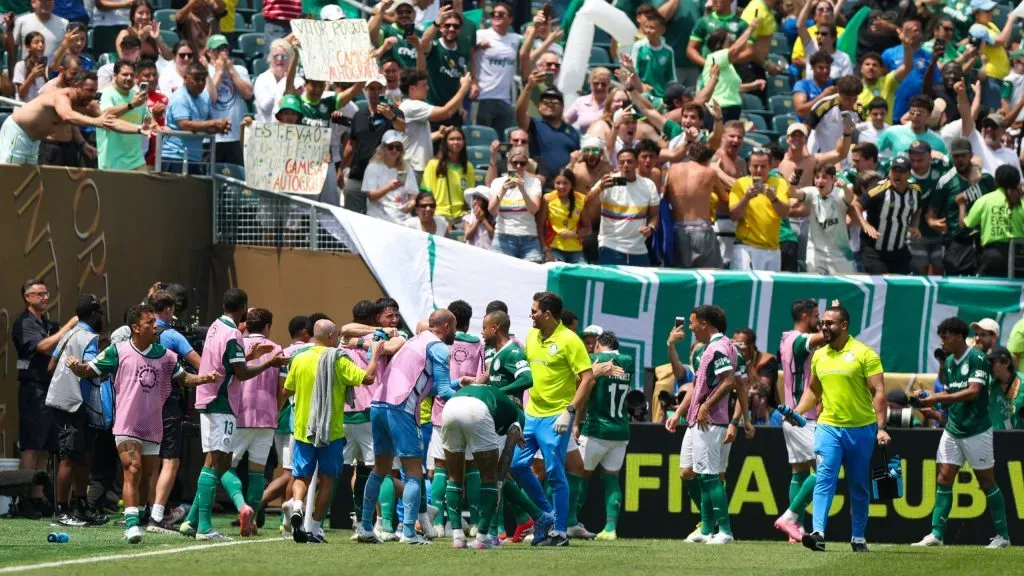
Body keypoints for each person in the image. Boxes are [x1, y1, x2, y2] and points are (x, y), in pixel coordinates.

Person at [66, 304, 215, 544]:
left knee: (146, 477)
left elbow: (184, 378)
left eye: (154, 322)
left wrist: (204, 379)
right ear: (135, 328)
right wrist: (76, 367)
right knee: (132, 469)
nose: (155, 327)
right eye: (150, 323)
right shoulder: (118, 351)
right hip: (126, 424)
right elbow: (89, 370)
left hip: (153, 425)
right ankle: (132, 525)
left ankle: (142, 516)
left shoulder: (165, 355)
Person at [179, 288, 287, 540]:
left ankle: (196, 521)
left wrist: (249, 355)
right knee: (217, 462)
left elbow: (226, 362)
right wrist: (268, 363)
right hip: (222, 403)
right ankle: (204, 526)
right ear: (243, 308)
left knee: (223, 463)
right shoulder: (233, 333)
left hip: (214, 400)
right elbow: (241, 373)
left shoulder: (216, 327)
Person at [357, 309, 459, 545]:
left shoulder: (414, 341)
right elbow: (443, 392)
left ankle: (365, 527)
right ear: (445, 326)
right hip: (402, 407)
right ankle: (410, 534)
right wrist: (474, 396)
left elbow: (428, 387)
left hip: (379, 404)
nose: (455, 332)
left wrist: (459, 383)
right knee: (414, 472)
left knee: (380, 469)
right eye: (453, 327)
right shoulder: (440, 348)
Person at [794, 304, 890, 552]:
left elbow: (878, 392)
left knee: (858, 485)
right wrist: (798, 412)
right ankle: (818, 534)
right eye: (823, 323)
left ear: (844, 326)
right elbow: (814, 390)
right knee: (824, 478)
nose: (824, 327)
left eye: (830, 323)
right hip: (829, 427)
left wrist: (880, 427)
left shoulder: (864, 354)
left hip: (862, 429)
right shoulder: (819, 355)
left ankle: (858, 538)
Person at [911, 317, 1010, 549]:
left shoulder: (977, 359)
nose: (942, 343)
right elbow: (949, 397)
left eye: (945, 338)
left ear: (957, 337)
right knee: (943, 478)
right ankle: (936, 534)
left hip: (976, 430)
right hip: (953, 429)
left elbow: (973, 392)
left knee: (986, 482)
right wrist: (928, 401)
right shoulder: (951, 363)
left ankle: (1003, 536)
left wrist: (938, 398)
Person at [508, 292, 593, 547]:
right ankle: (546, 515)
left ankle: (560, 531)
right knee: (517, 465)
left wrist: (570, 411)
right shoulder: (532, 336)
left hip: (557, 416)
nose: (530, 314)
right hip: (531, 414)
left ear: (547, 314)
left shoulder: (570, 340)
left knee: (556, 472)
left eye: (534, 311)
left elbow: (587, 378)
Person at [283, 319, 380, 544]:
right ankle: (315, 527)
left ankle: (297, 504)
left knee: (301, 476)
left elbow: (287, 389)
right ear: (330, 336)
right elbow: (368, 378)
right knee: (328, 480)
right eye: (336, 334)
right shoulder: (338, 360)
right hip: (331, 430)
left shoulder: (299, 359)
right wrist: (375, 354)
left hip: (303, 428)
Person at [664, 305, 748, 545]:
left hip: (709, 421)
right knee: (695, 473)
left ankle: (725, 531)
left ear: (704, 323)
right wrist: (681, 412)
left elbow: (729, 381)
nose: (689, 327)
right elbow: (699, 386)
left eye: (692, 323)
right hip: (695, 420)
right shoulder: (712, 347)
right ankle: (706, 528)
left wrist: (706, 406)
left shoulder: (719, 347)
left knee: (710, 476)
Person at [44, 294, 105, 528]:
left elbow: (51, 365)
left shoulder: (69, 333)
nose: (101, 317)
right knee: (69, 457)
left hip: (68, 402)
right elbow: (91, 369)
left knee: (81, 455)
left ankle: (80, 506)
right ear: (93, 314)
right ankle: (62, 511)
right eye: (99, 313)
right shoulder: (89, 337)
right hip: (71, 403)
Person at [143, 290, 201, 533]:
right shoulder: (173, 337)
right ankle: (157, 517)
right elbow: (200, 363)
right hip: (168, 403)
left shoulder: (139, 334)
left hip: (143, 402)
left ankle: (148, 511)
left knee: (150, 461)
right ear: (169, 310)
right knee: (171, 460)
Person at [426, 301, 483, 537]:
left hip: (442, 411)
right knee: (470, 466)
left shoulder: (438, 344)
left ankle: (439, 522)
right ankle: (477, 522)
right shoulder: (479, 345)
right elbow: (481, 378)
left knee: (441, 466)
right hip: (469, 409)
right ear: (468, 321)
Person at [1, 69, 145, 162]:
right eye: (89, 90)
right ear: (76, 87)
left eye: (95, 91)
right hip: (18, 133)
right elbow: (67, 116)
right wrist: (95, 121)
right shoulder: (61, 96)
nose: (93, 95)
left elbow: (109, 122)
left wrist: (139, 129)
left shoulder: (88, 104)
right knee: (10, 176)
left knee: (28, 181)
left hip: (34, 141)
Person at [773, 300, 826, 543]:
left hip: (792, 416)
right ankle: (790, 518)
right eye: (817, 316)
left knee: (799, 471)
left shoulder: (785, 339)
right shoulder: (797, 340)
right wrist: (836, 317)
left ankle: (797, 531)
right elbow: (825, 336)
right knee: (826, 467)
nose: (819, 320)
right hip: (803, 418)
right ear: (805, 316)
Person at [229, 309, 282, 537]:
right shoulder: (277, 349)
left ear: (247, 324)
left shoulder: (238, 345)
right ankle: (251, 523)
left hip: (239, 415)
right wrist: (275, 411)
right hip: (266, 416)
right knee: (257, 472)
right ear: (267, 326)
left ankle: (243, 506)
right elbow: (283, 389)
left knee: (223, 467)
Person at [577, 331, 632, 541]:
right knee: (612, 479)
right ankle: (610, 528)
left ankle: (572, 521)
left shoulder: (593, 360)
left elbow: (579, 383)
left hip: (596, 429)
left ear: (599, 343)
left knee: (579, 476)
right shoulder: (628, 360)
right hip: (620, 430)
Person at [928, 138, 996, 276]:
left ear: (971, 155)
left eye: (963, 156)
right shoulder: (945, 181)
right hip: (957, 241)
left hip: (984, 240)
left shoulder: (986, 179)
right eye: (956, 156)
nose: (959, 160)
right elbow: (931, 212)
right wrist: (933, 222)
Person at [586, 148, 660, 266]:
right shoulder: (609, 182)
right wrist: (599, 189)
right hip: (610, 246)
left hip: (639, 249)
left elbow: (654, 214)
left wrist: (650, 227)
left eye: (629, 162)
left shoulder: (648, 185)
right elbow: (586, 201)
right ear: (618, 164)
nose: (625, 165)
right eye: (622, 162)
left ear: (636, 163)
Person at [852, 156, 922, 274]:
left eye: (902, 171)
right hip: (874, 250)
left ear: (910, 174)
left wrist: (914, 226)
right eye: (894, 170)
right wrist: (865, 225)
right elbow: (856, 205)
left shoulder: (915, 192)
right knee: (884, 281)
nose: (897, 175)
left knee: (908, 281)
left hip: (898, 250)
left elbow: (918, 209)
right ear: (889, 172)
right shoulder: (879, 191)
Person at [347, 75, 406, 214]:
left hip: (383, 178)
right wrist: (341, 168)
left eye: (379, 88)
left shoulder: (395, 112)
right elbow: (351, 144)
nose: (376, 92)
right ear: (366, 90)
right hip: (358, 176)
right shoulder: (359, 115)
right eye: (372, 89)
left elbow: (402, 128)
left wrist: (390, 116)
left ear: (385, 90)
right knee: (352, 219)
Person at [398, 69, 472, 179]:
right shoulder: (411, 106)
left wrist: (438, 134)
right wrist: (464, 87)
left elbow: (416, 139)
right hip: (412, 170)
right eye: (424, 85)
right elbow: (446, 112)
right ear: (412, 89)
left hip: (416, 169)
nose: (427, 88)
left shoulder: (412, 105)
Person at [728, 147, 791, 271]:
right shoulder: (740, 184)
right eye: (755, 166)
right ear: (749, 166)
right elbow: (733, 216)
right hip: (747, 247)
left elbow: (784, 213)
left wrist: (773, 198)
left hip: (773, 249)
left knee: (770, 290)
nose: (759, 170)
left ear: (770, 166)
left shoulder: (780, 183)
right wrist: (746, 197)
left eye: (763, 166)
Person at [665, 141, 725, 269]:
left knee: (681, 279)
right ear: (708, 159)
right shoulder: (709, 173)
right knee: (710, 276)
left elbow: (664, 196)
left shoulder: (673, 169)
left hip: (677, 229)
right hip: (701, 231)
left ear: (689, 153)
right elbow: (725, 199)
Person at [161, 63, 228, 175]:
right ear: (185, 78)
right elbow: (184, 125)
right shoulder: (180, 97)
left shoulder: (205, 96)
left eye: (203, 79)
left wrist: (220, 128)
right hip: (174, 157)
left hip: (195, 157)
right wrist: (214, 123)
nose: (200, 83)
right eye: (196, 79)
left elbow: (208, 125)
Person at [790, 164, 857, 274]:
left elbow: (850, 197)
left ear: (833, 179)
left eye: (824, 177)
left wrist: (844, 187)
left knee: (845, 288)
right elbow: (792, 193)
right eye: (817, 177)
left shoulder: (839, 194)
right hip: (816, 253)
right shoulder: (811, 192)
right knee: (815, 288)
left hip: (839, 254)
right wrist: (792, 184)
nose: (820, 181)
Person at [964, 164, 1024, 277]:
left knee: (987, 291)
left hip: (992, 257)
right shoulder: (1021, 202)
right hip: (1018, 257)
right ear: (1017, 182)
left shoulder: (985, 200)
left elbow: (968, 223)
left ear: (996, 182)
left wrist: (961, 205)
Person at [473, 1, 521, 138]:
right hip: (483, 97)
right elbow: (466, 55)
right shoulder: (481, 35)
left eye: (501, 14)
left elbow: (529, 42)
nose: (496, 16)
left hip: (505, 101)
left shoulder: (515, 39)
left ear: (510, 19)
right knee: (482, 140)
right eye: (493, 14)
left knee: (504, 143)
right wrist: (473, 82)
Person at [958, 79, 1023, 178]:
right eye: (986, 125)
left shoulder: (1011, 155)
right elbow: (967, 116)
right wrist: (962, 94)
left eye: (993, 126)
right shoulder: (975, 139)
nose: (988, 129)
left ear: (1003, 131)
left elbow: (1020, 184)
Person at [488, 145, 543, 262]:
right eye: (515, 163)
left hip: (529, 238)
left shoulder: (534, 182)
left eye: (522, 163)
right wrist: (502, 191)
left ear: (527, 164)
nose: (518, 166)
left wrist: (522, 189)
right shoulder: (497, 182)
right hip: (504, 237)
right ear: (509, 163)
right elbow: (492, 210)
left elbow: (533, 210)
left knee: (532, 276)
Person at [517, 78, 579, 180]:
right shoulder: (533, 124)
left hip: (563, 184)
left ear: (563, 107)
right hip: (538, 181)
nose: (550, 104)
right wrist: (528, 88)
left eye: (555, 102)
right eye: (545, 102)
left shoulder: (572, 132)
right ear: (539, 107)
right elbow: (519, 113)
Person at [37, 54, 91, 167]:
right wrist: (94, 120)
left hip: (69, 146)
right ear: (62, 70)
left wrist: (83, 144)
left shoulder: (71, 90)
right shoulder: (50, 89)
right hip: (51, 148)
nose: (77, 78)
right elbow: (66, 116)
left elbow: (70, 123)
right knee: (50, 184)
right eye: (73, 73)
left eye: (79, 75)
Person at [205, 34, 251, 165]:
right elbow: (208, 98)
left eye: (225, 48)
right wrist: (219, 72)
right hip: (212, 138)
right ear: (209, 52)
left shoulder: (239, 70)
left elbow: (247, 94)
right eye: (218, 49)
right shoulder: (206, 71)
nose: (223, 52)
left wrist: (230, 70)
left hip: (235, 136)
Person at [97, 60, 149, 171]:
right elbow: (105, 115)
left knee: (145, 188)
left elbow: (149, 120)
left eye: (132, 75)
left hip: (137, 160)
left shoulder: (138, 96)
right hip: (112, 162)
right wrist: (131, 105)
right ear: (115, 76)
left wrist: (157, 121)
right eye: (125, 74)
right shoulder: (105, 94)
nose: (129, 78)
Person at [418, 5, 471, 113]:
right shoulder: (434, 47)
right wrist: (436, 22)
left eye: (455, 26)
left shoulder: (462, 53)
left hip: (452, 111)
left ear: (460, 30)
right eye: (447, 25)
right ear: (441, 28)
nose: (451, 29)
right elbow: (423, 43)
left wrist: (460, 106)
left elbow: (459, 84)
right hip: (432, 109)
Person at [422, 125, 477, 221]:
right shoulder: (433, 164)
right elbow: (426, 193)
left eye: (459, 139)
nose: (456, 142)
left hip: (461, 216)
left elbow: (469, 196)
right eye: (451, 139)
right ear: (445, 143)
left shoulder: (468, 167)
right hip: (439, 214)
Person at [363, 130, 417, 224]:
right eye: (391, 147)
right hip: (378, 218)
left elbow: (412, 192)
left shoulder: (407, 167)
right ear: (383, 148)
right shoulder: (372, 167)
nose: (394, 150)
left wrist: (412, 202)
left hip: (401, 219)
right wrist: (389, 187)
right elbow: (371, 196)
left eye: (398, 147)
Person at [805, 75, 862, 156]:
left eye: (854, 99)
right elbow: (806, 127)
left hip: (843, 158)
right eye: (847, 99)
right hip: (819, 155)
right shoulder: (824, 105)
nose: (851, 102)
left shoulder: (858, 108)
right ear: (839, 92)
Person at [540, 168, 589, 263]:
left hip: (576, 250)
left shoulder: (581, 199)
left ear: (572, 184)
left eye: (565, 183)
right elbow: (540, 227)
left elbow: (588, 228)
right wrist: (546, 250)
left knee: (581, 275)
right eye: (558, 183)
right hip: (554, 248)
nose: (561, 186)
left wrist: (574, 234)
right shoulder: (548, 199)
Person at [687, 0, 749, 68]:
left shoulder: (742, 24)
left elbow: (749, 51)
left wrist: (727, 61)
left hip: (733, 76)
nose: (714, 0)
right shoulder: (703, 22)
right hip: (708, 76)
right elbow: (691, 49)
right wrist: (707, 64)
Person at [252, 39, 292, 123]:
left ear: (290, 60)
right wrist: (282, 84)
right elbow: (265, 109)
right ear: (269, 58)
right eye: (276, 56)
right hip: (265, 130)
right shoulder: (262, 79)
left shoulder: (296, 79)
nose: (280, 59)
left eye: (284, 57)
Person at [564, 68, 613, 133]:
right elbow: (565, 120)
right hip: (584, 142)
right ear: (590, 83)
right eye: (596, 83)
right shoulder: (581, 101)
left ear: (609, 85)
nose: (599, 87)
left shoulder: (614, 102)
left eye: (603, 84)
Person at [988, 347, 1024, 430]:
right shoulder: (990, 384)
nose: (990, 366)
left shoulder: (1022, 383)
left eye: (993, 362)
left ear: (1006, 362)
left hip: (1019, 438)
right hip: (994, 438)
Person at [14, 32, 47, 102]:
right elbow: (21, 94)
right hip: (23, 109)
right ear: (28, 47)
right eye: (36, 42)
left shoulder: (46, 67)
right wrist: (32, 76)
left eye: (43, 42)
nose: (41, 45)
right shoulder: (20, 66)